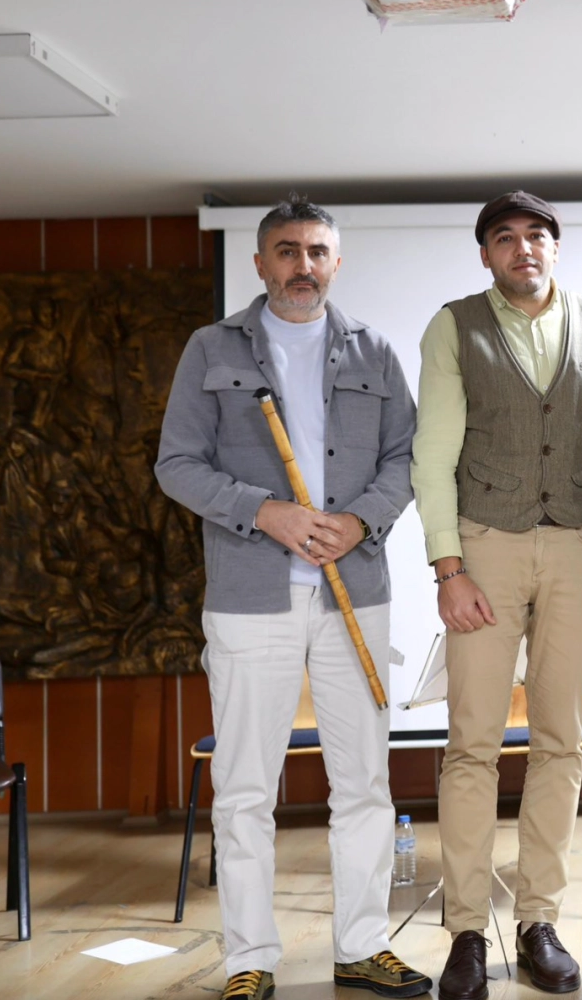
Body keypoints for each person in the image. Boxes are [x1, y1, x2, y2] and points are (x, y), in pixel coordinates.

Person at [155, 199, 430, 1000]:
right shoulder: (211, 348)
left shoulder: (374, 351)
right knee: (245, 786)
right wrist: (263, 511)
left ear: (335, 263)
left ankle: (362, 947)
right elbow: (177, 464)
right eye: (286, 250)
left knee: (364, 783)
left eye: (315, 251)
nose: (302, 265)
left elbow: (406, 459)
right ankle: (250, 959)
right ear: (260, 264)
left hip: (356, 592)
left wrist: (360, 520)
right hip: (249, 596)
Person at [412, 191, 582, 999]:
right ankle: (468, 932)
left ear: (555, 247)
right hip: (486, 545)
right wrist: (448, 567)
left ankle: (539, 920)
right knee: (472, 742)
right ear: (486, 255)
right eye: (505, 238)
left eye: (537, 235)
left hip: (580, 545)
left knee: (559, 741)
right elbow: (433, 452)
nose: (523, 248)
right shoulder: (454, 326)